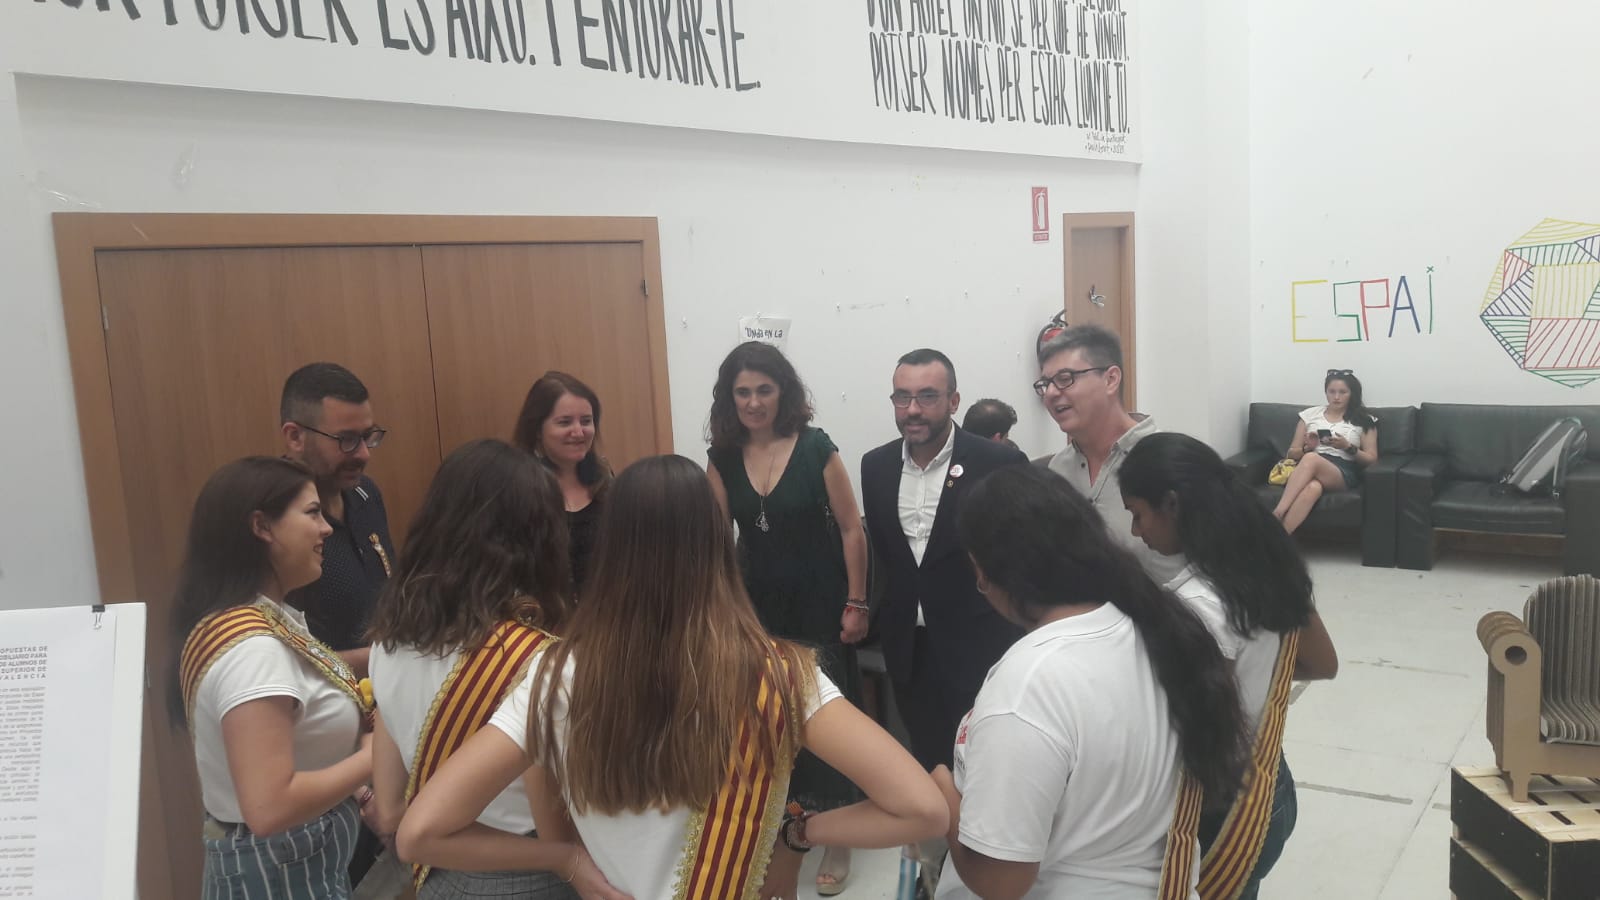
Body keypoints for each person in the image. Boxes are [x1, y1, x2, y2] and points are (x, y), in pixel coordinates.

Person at [395, 456, 949, 900]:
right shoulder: (780, 673)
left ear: (612, 548)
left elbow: (420, 833)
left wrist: (566, 860)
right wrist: (798, 833)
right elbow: (923, 809)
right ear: (717, 546)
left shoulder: (556, 671)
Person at [930, 465, 1250, 899]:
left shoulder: (1026, 687)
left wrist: (944, 795)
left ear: (983, 571)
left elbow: (1001, 881)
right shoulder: (1152, 629)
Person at [367, 439, 600, 898]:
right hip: (533, 877)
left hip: (438, 878)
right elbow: (556, 834)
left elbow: (391, 810)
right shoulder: (538, 660)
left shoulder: (389, 640)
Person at [1121, 433, 1340, 899]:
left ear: (1172, 504)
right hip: (1270, 785)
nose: (1136, 531)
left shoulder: (1197, 605)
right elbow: (1323, 663)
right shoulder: (1266, 564)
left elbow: (1194, 735)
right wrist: (1248, 678)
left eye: (1138, 514)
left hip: (1221, 811)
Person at [704, 341, 870, 895]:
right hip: (756, 608)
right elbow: (718, 541)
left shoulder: (816, 446)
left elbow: (851, 528)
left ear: (784, 393)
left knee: (832, 717)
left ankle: (841, 833)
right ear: (729, 398)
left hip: (821, 602)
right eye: (742, 392)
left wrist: (857, 601)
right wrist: (721, 611)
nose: (754, 402)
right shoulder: (722, 456)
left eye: (764, 390)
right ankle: (780, 825)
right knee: (769, 719)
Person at [168, 457, 374, 899]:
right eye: (312, 513)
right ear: (262, 526)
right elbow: (270, 807)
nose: (327, 529)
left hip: (289, 864)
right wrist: (376, 755)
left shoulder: (252, 619)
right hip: (281, 872)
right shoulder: (254, 650)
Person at [860, 349, 1028, 773]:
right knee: (929, 761)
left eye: (927, 396)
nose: (913, 409)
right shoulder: (875, 466)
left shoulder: (997, 462)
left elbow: (1023, 552)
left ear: (954, 401)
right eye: (902, 397)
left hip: (981, 644)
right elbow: (887, 556)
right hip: (910, 650)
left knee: (991, 765)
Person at [1037, 325, 1185, 584]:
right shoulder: (1058, 469)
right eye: (1045, 384)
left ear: (1111, 379)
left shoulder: (1170, 463)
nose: (1050, 393)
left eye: (1065, 378)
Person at [280, 362, 394, 680]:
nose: (363, 454)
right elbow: (279, 663)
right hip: (324, 705)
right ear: (295, 437)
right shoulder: (274, 520)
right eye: (346, 440)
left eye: (367, 437)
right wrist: (386, 659)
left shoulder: (365, 494)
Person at [513, 372, 613, 593]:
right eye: (565, 422)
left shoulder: (606, 479)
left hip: (604, 608)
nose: (578, 432)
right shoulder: (517, 487)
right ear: (537, 430)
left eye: (586, 421)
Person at [1272, 369, 1379, 534]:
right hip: (1306, 466)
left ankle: (1277, 513)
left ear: (1352, 394)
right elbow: (1291, 454)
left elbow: (1372, 459)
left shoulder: (1365, 420)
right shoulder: (1309, 415)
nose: (1336, 397)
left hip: (1342, 470)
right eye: (1332, 392)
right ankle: (1278, 538)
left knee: (1311, 459)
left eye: (1342, 392)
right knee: (1313, 488)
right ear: (1326, 392)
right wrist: (1308, 448)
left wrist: (1348, 447)